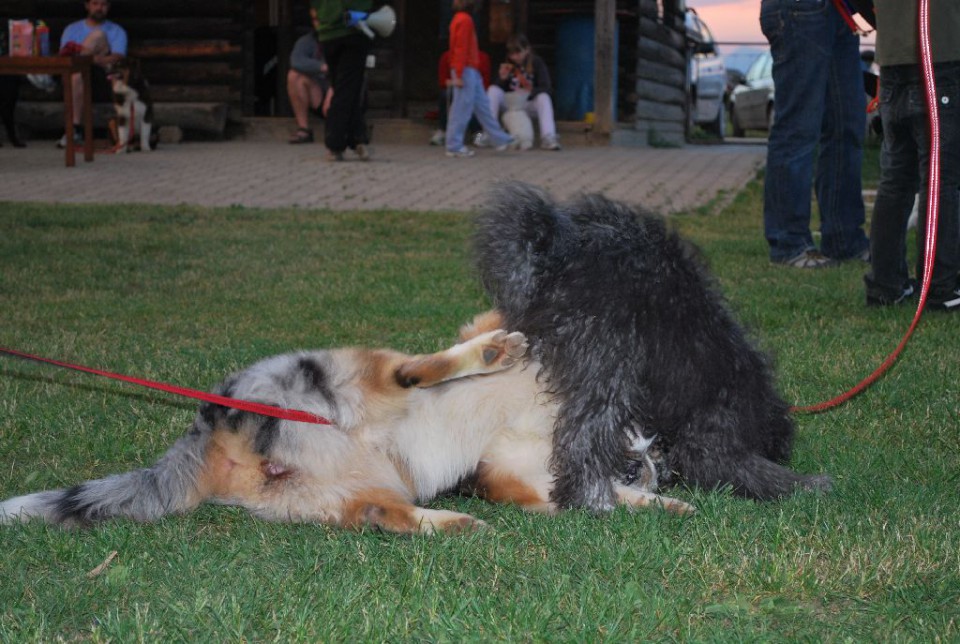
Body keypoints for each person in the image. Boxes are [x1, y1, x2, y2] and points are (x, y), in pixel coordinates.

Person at [863, 0, 960, 311]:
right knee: (939, 181)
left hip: (893, 62)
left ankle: (885, 285)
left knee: (896, 181)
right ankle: (940, 288)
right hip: (941, 58)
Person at [759, 0, 870, 268]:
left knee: (847, 126)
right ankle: (789, 242)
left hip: (839, 11)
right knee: (798, 127)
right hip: (800, 8)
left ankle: (844, 238)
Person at [444, 0, 514, 158]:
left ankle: (499, 139)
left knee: (482, 105)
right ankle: (454, 145)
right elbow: (461, 48)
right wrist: (460, 74)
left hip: (469, 70)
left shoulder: (459, 19)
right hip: (466, 70)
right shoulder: (465, 20)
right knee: (462, 108)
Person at [58, 0, 127, 148]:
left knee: (98, 35)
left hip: (101, 77)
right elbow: (64, 56)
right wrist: (95, 58)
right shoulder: (72, 29)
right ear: (87, 6)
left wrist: (89, 59)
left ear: (108, 7)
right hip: (73, 75)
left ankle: (73, 130)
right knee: (76, 76)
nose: (99, 8)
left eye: (103, 4)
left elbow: (117, 58)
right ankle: (75, 130)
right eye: (95, 3)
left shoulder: (116, 30)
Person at [309, 0, 372, 162]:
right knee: (348, 89)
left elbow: (314, 9)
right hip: (353, 31)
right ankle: (335, 143)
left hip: (328, 35)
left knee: (343, 87)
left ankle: (358, 139)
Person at [484, 33, 561, 151]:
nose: (515, 57)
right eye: (511, 54)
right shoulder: (507, 63)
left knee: (544, 97)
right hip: (511, 105)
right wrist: (501, 78)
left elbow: (546, 87)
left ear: (527, 50)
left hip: (528, 104)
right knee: (492, 90)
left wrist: (527, 92)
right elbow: (498, 89)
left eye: (518, 52)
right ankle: (489, 134)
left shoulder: (537, 62)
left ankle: (548, 137)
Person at [429, 49, 490, 147]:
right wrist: (456, 83)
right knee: (445, 94)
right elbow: (442, 82)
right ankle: (443, 131)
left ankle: (478, 133)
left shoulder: (482, 57)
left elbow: (485, 84)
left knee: (477, 98)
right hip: (455, 90)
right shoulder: (447, 56)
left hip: (474, 91)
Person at [287, 30, 332, 144]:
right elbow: (296, 62)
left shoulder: (344, 40)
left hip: (340, 90)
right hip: (319, 94)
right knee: (294, 76)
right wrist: (322, 67)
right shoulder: (306, 41)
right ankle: (304, 129)